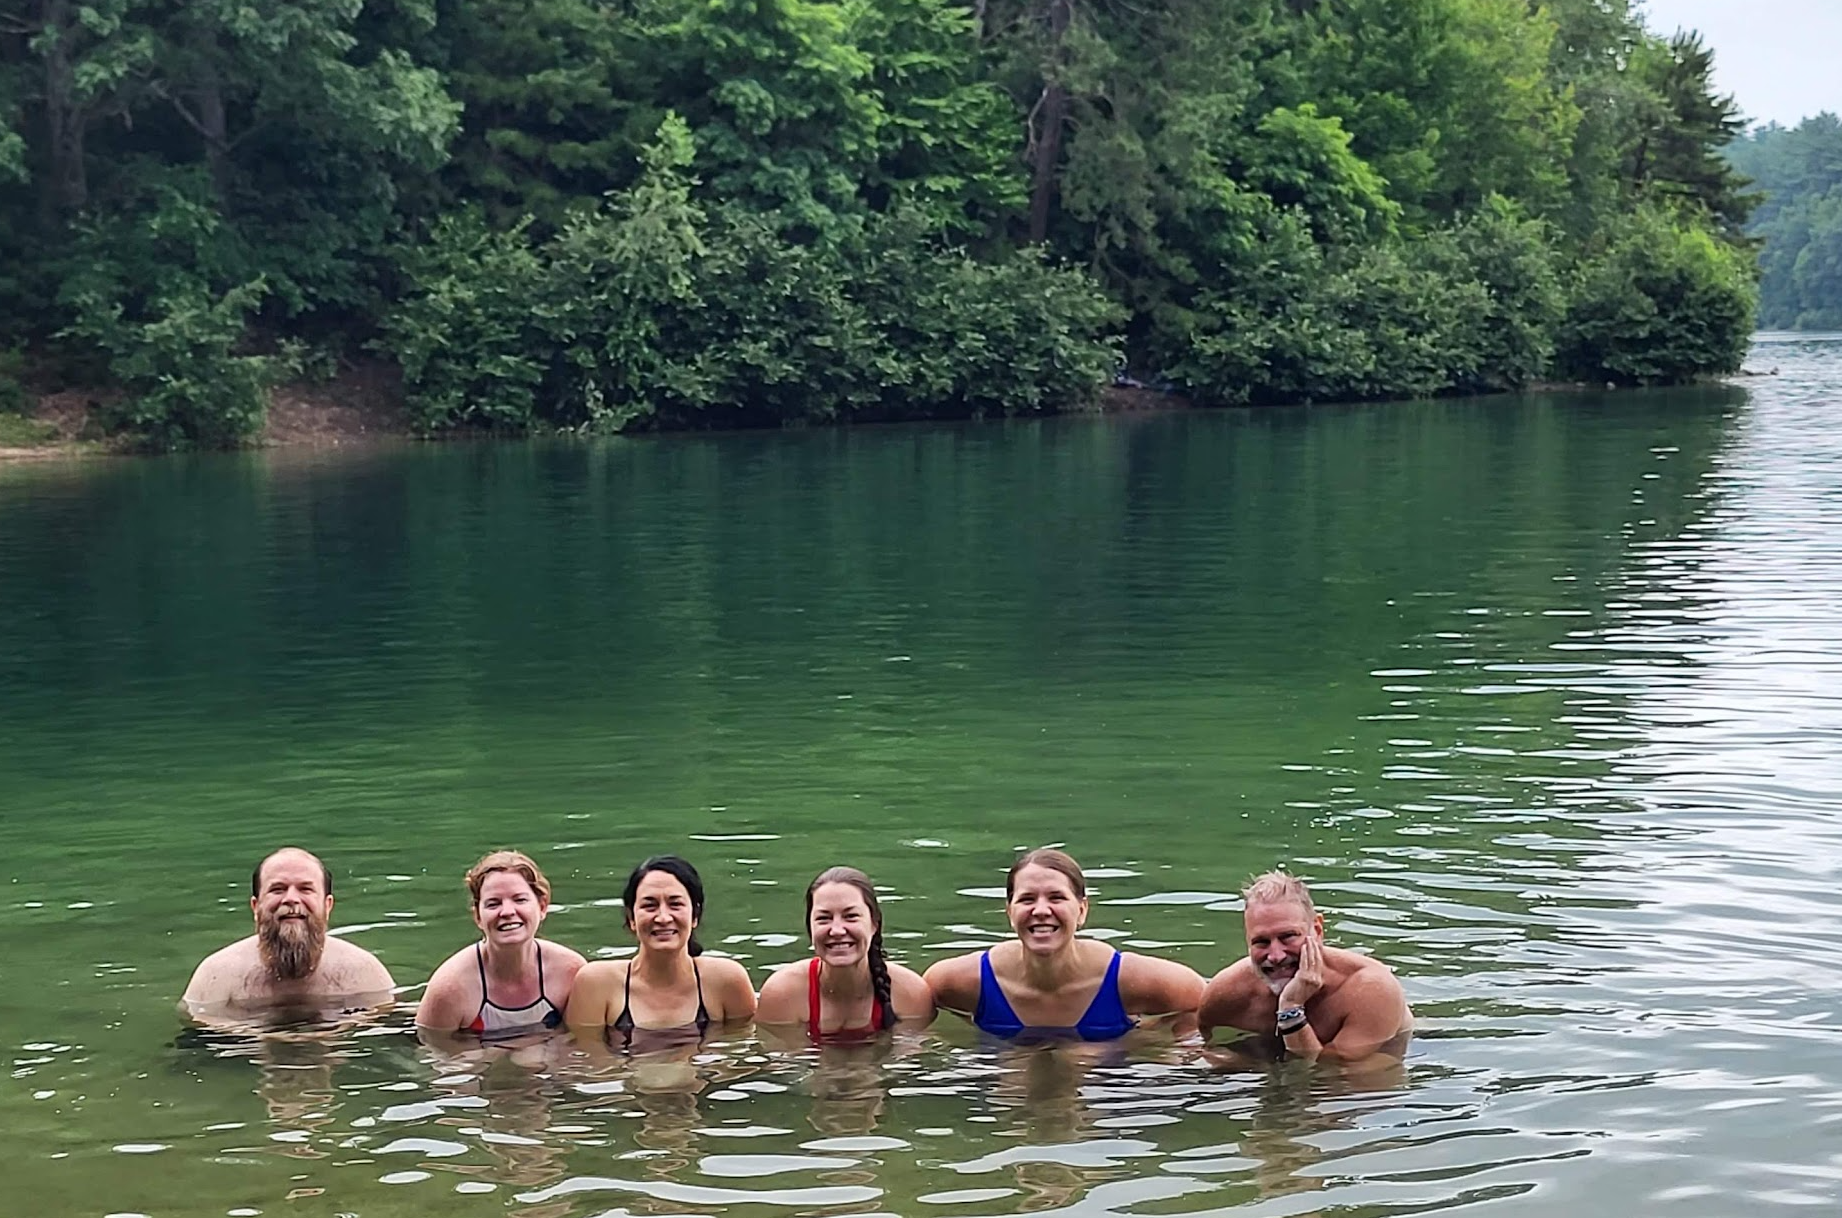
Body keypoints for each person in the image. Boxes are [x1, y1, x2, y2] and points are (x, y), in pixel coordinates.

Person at [923, 848, 1204, 1041]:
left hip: (1103, 1084)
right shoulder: (962, 981)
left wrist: (1159, 1043)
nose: (1041, 910)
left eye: (1056, 897)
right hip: (1007, 1081)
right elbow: (917, 1013)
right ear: (1009, 911)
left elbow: (1199, 1001)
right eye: (1027, 899)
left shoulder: (1127, 978)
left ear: (1082, 910)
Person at [1199, 871, 1411, 1062]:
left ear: (1317, 931)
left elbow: (1322, 1074)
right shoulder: (1226, 995)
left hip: (1365, 1074)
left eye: (1288, 937)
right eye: (1261, 942)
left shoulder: (1369, 988)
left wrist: (1290, 1008)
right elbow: (1209, 1048)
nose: (1275, 956)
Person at [564, 855, 755, 1049]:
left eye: (675, 904)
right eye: (650, 905)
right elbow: (588, 1065)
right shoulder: (597, 983)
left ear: (695, 916)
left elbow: (739, 1057)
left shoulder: (726, 980)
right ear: (631, 918)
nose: (663, 917)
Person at [182, 846, 395, 1013]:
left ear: (327, 905)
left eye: (305, 889)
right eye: (278, 889)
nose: (291, 898)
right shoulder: (215, 977)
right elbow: (193, 1051)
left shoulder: (364, 973)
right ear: (256, 907)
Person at [416, 850, 587, 1036]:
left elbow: (584, 1045)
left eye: (519, 899)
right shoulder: (451, 988)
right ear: (478, 917)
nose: (507, 911)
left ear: (542, 906)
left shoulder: (571, 972)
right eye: (493, 903)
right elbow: (433, 1053)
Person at [757, 865, 934, 1040]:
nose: (837, 930)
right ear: (810, 928)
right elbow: (782, 1065)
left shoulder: (910, 993)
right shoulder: (783, 994)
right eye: (823, 918)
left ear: (875, 924)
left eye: (851, 916)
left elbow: (909, 1065)